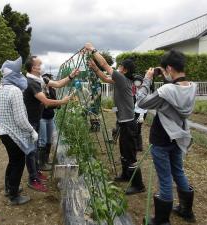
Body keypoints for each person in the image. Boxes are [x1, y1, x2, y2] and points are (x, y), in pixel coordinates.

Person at [137, 50, 197, 225]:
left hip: (162, 139)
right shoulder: (191, 87)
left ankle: (162, 220)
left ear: (169, 68)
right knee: (178, 171)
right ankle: (186, 210)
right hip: (178, 137)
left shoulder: (167, 90)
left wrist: (147, 79)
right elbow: (173, 91)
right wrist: (164, 76)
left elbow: (141, 102)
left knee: (165, 179)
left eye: (165, 70)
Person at [84, 42, 145, 195]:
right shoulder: (121, 80)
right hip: (125, 122)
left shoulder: (122, 79)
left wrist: (92, 50)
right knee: (124, 150)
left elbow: (105, 64)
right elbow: (105, 78)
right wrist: (95, 68)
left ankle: (138, 185)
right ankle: (126, 175)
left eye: (120, 66)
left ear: (124, 70)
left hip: (129, 123)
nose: (117, 68)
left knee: (130, 153)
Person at [24, 56, 79, 192]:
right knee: (31, 150)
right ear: (33, 68)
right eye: (39, 64)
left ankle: (37, 172)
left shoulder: (41, 79)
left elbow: (59, 84)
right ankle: (33, 179)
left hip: (36, 119)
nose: (41, 66)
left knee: (35, 148)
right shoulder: (31, 82)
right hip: (30, 121)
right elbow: (46, 102)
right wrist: (62, 101)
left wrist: (71, 76)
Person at [0, 56, 38, 204]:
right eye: (18, 73)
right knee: (18, 162)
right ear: (14, 75)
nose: (20, 75)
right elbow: (20, 118)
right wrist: (31, 130)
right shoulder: (15, 91)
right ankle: (14, 196)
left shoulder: (1, 88)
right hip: (13, 134)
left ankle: (9, 188)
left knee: (12, 161)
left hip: (3, 132)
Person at [38, 73, 58, 171]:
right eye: (48, 81)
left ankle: (46, 160)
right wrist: (51, 103)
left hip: (50, 117)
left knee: (49, 140)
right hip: (42, 118)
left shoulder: (52, 90)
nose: (49, 82)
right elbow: (49, 103)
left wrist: (50, 103)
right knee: (42, 140)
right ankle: (41, 163)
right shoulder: (40, 91)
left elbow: (56, 104)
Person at [133, 75, 148, 152]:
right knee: (137, 129)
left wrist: (141, 115)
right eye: (135, 81)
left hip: (141, 113)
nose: (136, 82)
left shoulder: (142, 90)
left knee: (136, 129)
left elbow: (144, 104)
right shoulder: (138, 89)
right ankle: (138, 146)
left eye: (137, 81)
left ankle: (137, 146)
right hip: (137, 111)